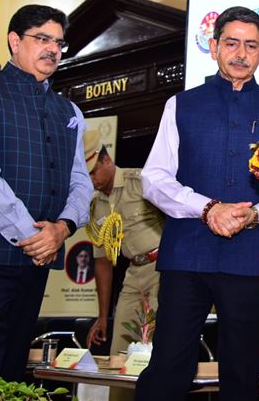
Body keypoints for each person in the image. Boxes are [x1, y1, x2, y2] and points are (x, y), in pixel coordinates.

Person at [136, 6, 259, 400]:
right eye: (232, 43)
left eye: (250, 45)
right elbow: (154, 179)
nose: (241, 53)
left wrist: (257, 212)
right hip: (188, 254)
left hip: (253, 257)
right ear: (214, 47)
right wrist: (207, 208)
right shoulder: (181, 104)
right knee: (169, 366)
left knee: (242, 373)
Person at [0, 4, 93, 381]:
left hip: (36, 256)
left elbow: (80, 179)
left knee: (13, 369)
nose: (53, 49)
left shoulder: (68, 109)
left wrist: (62, 228)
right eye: (42, 38)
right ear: (14, 41)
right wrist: (31, 234)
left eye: (59, 42)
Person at [82, 130, 166, 357]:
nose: (90, 180)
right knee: (119, 350)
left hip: (161, 270)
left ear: (107, 160)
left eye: (93, 172)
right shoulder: (95, 206)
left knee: (156, 346)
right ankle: (120, 393)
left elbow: (177, 223)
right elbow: (102, 262)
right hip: (132, 275)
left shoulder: (140, 182)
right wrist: (102, 317)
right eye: (85, 175)